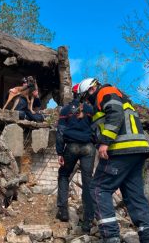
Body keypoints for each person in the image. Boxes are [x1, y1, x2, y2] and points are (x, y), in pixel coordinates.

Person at [78, 78, 149, 243]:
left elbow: (115, 113)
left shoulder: (105, 92)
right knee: (134, 194)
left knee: (98, 188)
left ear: (91, 90)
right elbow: (102, 124)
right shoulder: (118, 96)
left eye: (86, 97)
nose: (87, 102)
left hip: (121, 149)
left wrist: (105, 142)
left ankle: (110, 236)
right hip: (137, 150)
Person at [55, 84, 95, 233]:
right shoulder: (90, 110)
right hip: (88, 147)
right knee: (88, 182)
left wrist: (60, 152)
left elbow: (60, 132)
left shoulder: (65, 110)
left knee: (64, 175)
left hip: (71, 146)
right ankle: (88, 222)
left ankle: (63, 211)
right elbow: (96, 128)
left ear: (73, 94)